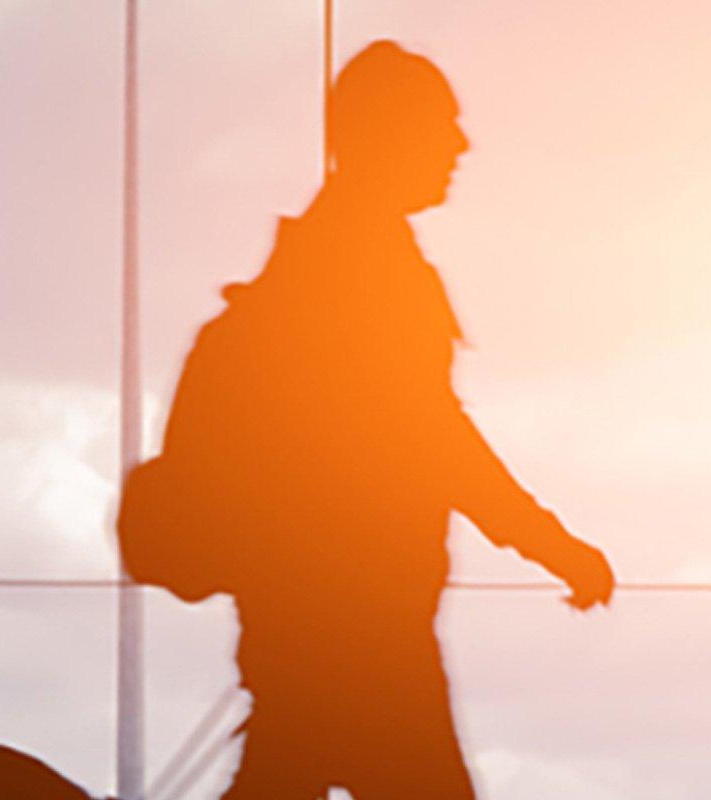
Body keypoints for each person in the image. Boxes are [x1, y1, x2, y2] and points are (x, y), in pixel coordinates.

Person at [197, 41, 613, 800]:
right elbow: (431, 438)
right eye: (442, 125)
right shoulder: (365, 269)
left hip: (315, 626)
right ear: (388, 135)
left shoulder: (324, 261)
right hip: (361, 634)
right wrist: (552, 543)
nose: (460, 145)